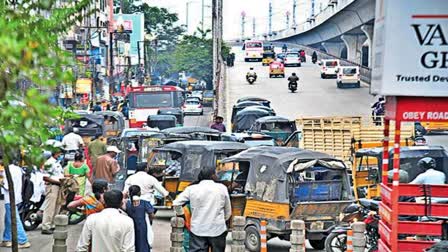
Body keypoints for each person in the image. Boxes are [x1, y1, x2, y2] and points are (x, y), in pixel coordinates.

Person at [173, 168, 231, 252]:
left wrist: (181, 215)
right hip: (217, 229)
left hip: (198, 229)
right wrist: (223, 220)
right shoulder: (222, 188)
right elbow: (228, 211)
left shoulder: (191, 189)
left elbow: (176, 203)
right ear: (212, 176)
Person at [0, 161, 31, 248]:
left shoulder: (7, 170)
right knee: (8, 219)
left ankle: (23, 240)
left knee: (14, 219)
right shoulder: (18, 169)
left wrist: (1, 182)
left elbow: (7, 185)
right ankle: (7, 239)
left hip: (10, 198)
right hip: (17, 196)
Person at [41, 145, 65, 234]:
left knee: (57, 206)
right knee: (50, 207)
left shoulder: (57, 163)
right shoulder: (49, 163)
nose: (61, 155)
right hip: (52, 186)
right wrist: (58, 182)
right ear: (56, 153)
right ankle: (46, 226)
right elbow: (45, 177)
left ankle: (52, 225)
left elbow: (58, 175)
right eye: (60, 153)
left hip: (58, 186)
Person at [125, 185, 155, 252]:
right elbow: (152, 214)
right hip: (141, 225)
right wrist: (150, 221)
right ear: (139, 193)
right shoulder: (144, 202)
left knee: (132, 240)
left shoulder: (127, 203)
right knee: (142, 240)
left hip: (130, 225)